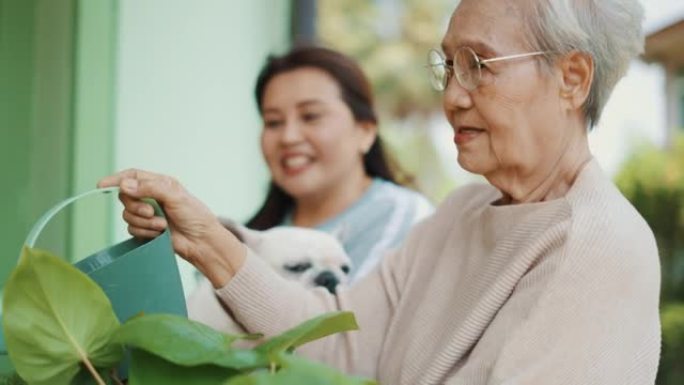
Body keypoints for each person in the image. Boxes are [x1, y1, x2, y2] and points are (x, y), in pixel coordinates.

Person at [99, 0, 662, 383]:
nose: (454, 97)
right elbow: (340, 339)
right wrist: (203, 239)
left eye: (479, 65)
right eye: (449, 65)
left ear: (572, 79)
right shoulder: (460, 214)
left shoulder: (598, 248)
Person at [245, 47, 433, 281]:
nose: (288, 137)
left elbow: (350, 316)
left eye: (311, 116)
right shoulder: (253, 237)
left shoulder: (403, 216)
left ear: (365, 132)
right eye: (273, 122)